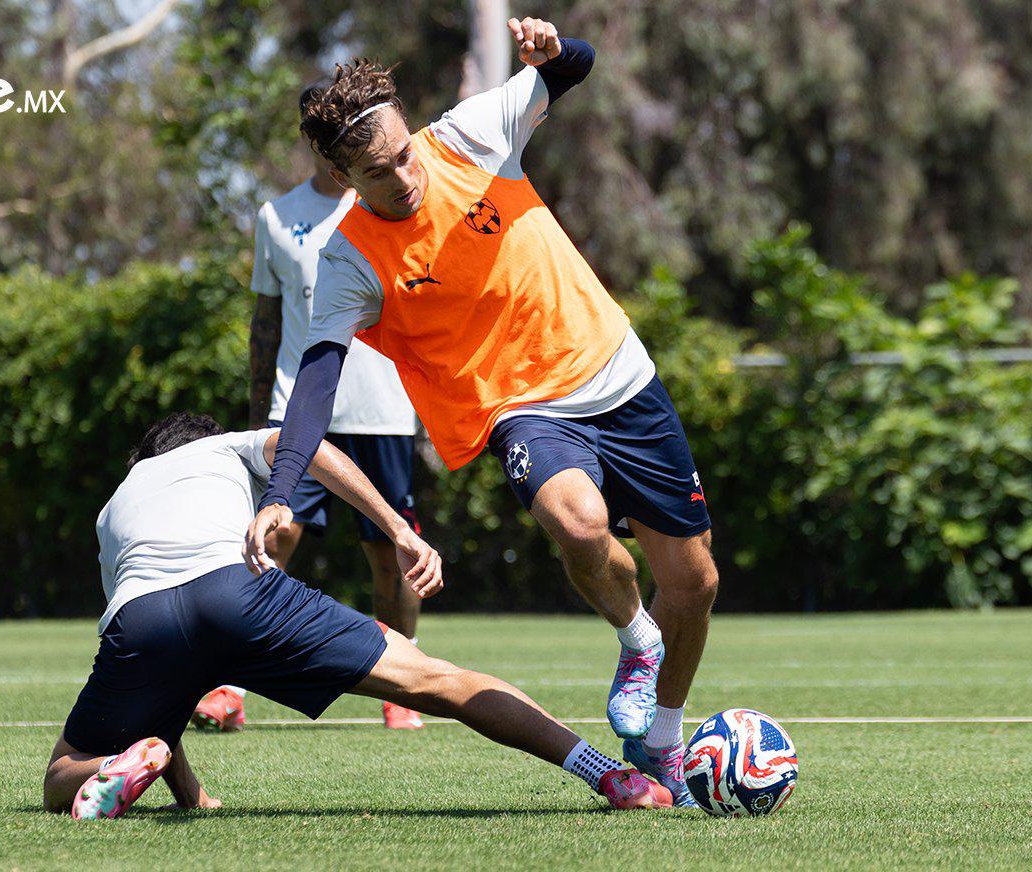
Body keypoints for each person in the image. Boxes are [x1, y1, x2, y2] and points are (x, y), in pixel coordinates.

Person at [244, 17, 718, 808]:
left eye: (402, 153)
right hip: (520, 408)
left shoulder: (464, 136)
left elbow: (579, 68)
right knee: (576, 522)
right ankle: (638, 641)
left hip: (617, 373)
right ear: (341, 175)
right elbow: (316, 380)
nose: (405, 176)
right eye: (378, 171)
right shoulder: (349, 260)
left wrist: (553, 51)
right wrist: (281, 489)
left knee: (695, 584)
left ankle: (662, 737)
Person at [43, 411, 672, 819]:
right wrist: (398, 528)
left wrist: (190, 796)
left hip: (143, 616)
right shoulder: (223, 448)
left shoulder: (112, 507)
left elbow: (164, 682)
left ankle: (105, 770)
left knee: (58, 776)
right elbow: (308, 446)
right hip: (242, 593)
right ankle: (610, 776)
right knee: (439, 680)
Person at [193, 82, 426, 734]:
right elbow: (265, 321)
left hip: (383, 410)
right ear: (322, 149)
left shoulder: (386, 202)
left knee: (390, 555)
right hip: (298, 414)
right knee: (273, 537)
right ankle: (227, 687)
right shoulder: (277, 215)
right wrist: (256, 415)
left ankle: (402, 686)